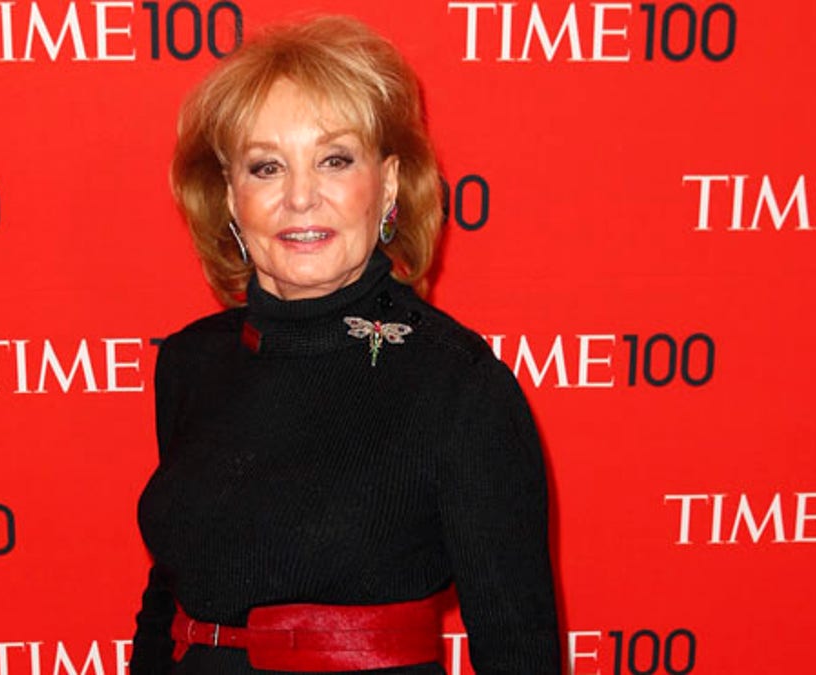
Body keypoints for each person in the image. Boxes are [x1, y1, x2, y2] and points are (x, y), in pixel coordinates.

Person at [131, 15, 559, 675]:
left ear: (387, 184)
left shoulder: (458, 386)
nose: (301, 197)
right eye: (266, 166)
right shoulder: (192, 363)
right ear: (227, 196)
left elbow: (518, 652)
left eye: (335, 159)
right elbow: (171, 596)